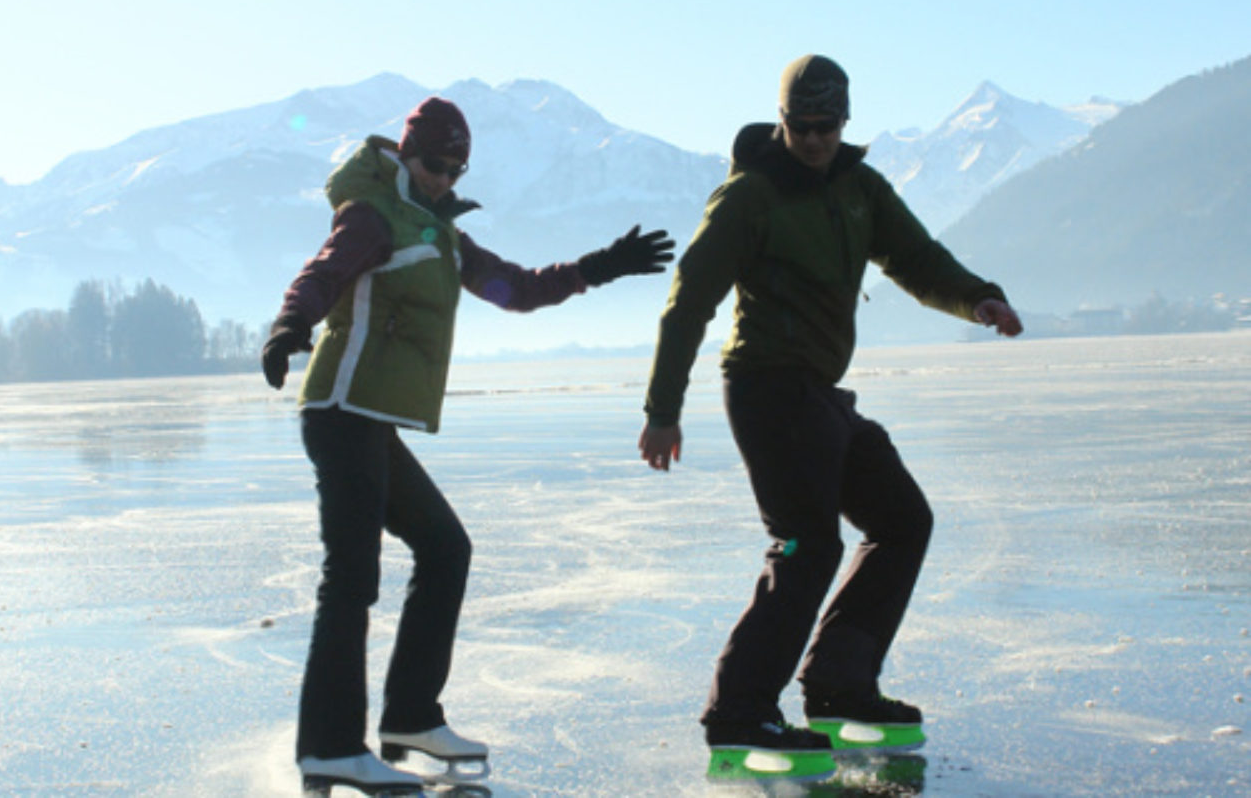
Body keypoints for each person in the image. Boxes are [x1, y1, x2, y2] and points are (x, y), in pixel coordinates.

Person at [262, 95, 674, 795]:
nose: (444, 178)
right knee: (352, 577)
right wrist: (289, 323)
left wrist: (601, 265)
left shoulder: (441, 232)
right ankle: (330, 744)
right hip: (340, 411)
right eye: (433, 164)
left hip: (371, 420)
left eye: (457, 168)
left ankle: (411, 718)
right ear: (406, 152)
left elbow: (514, 288)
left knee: (446, 548)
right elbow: (324, 270)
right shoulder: (373, 214)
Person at [637, 55, 1023, 775]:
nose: (815, 139)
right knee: (806, 545)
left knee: (903, 518)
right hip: (766, 388)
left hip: (820, 394)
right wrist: (663, 408)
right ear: (782, 121)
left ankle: (840, 687)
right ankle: (739, 712)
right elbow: (689, 299)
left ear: (844, 122)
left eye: (828, 125)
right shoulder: (749, 197)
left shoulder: (858, 186)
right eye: (803, 125)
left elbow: (916, 256)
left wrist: (977, 298)